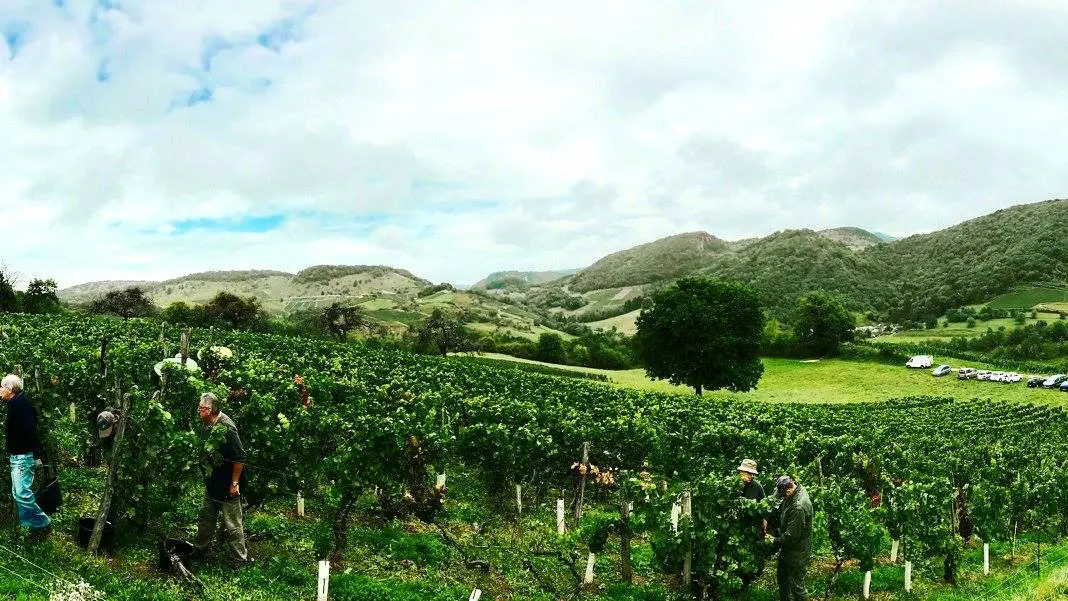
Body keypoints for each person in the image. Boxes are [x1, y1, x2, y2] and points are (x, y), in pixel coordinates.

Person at [193, 392, 252, 564]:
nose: (198, 411)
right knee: (205, 518)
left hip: (228, 485)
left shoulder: (227, 427)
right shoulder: (205, 424)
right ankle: (200, 551)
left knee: (233, 525)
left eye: (201, 408)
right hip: (213, 483)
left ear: (210, 410)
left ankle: (240, 560)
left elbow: (240, 457)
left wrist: (234, 483)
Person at [2, 374, 51, 542]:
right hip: (18, 455)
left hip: (23, 456)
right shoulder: (16, 403)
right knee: (18, 493)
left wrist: (34, 454)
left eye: (2, 387)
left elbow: (31, 430)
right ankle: (27, 527)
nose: (0, 390)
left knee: (22, 494)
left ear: (10, 389)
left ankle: (42, 521)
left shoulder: (19, 404)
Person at [766, 475, 813, 601]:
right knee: (782, 579)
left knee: (797, 587)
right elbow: (775, 500)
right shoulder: (793, 489)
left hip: (797, 553)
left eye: (783, 495)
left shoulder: (798, 507)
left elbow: (790, 537)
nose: (782, 498)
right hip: (788, 551)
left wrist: (773, 540)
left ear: (788, 490)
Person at [737, 459, 768, 587]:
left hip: (752, 528)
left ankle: (746, 582)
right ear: (740, 471)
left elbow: (764, 505)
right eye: (748, 473)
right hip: (736, 528)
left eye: (752, 474)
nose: (751, 476)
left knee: (752, 556)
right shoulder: (731, 486)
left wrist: (764, 520)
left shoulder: (757, 487)